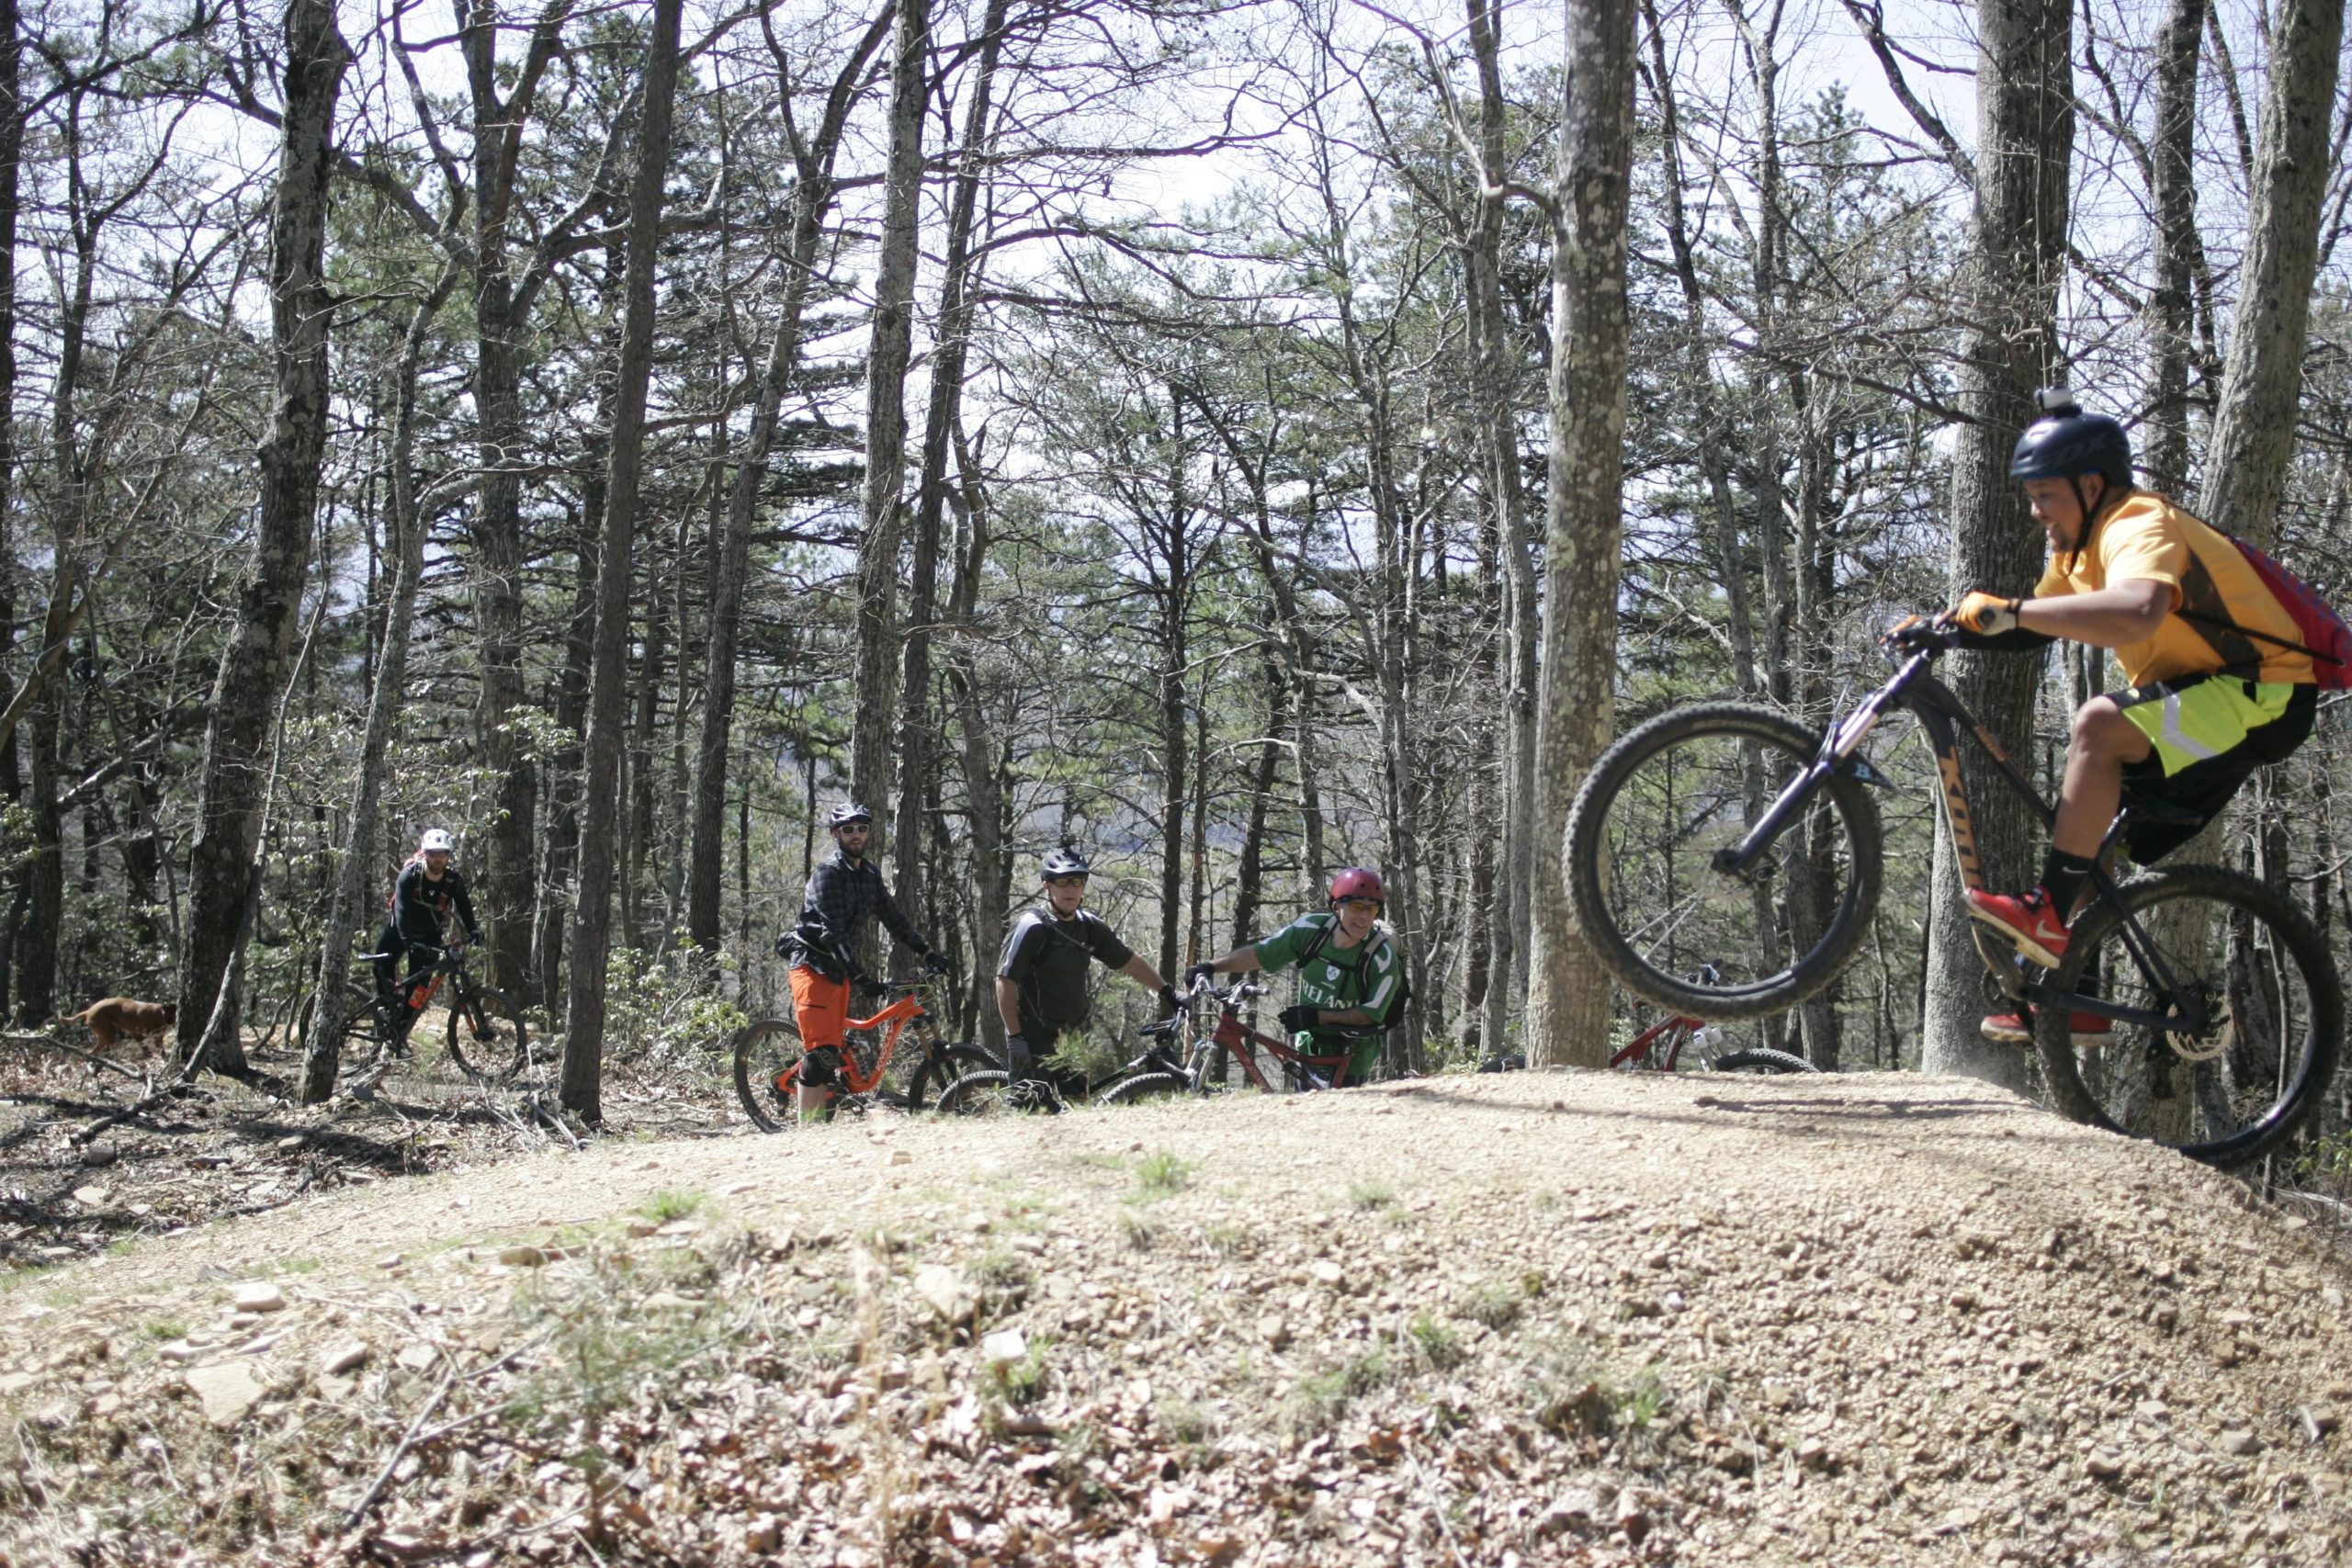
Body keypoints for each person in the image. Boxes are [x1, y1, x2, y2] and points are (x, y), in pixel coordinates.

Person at [1939, 389, 2319, 1048]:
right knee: (2092, 836)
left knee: (2097, 725)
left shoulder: (2138, 521)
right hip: (2207, 691)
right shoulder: (2077, 550)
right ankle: (2078, 1002)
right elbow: (2030, 629)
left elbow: (2138, 610)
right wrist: (1946, 631)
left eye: (2045, 496)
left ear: (2092, 486)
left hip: (2264, 689)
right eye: (2030, 498)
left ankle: (2048, 916)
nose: (2036, 514)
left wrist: (2013, 610)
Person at [775, 803, 947, 1118]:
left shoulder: (868, 874)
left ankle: (823, 1108)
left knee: (832, 1047)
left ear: (869, 832)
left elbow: (894, 918)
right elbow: (833, 934)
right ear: (835, 834)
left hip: (838, 969)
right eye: (848, 829)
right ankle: (806, 1135)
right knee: (822, 1054)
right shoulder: (828, 874)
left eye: (862, 828)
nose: (856, 835)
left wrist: (928, 951)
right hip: (811, 965)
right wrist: (862, 979)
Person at [1185, 867, 1404, 1087]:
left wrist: (1318, 1017)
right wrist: (1210, 967)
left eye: (1372, 910)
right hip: (1306, 1047)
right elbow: (1261, 953)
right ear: (1337, 907)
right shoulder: (1310, 931)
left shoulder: (1382, 957)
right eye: (1357, 907)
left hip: (1351, 1056)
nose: (1364, 917)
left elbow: (1371, 1014)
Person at [995, 847, 1181, 1091]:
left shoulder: (1090, 927)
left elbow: (1127, 961)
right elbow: (1005, 980)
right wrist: (1015, 1036)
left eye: (1077, 881)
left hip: (1074, 1036)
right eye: (1061, 881)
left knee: (1076, 1106)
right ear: (1046, 886)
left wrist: (1167, 991)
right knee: (1028, 1109)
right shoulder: (1032, 927)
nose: (1070, 888)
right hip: (1035, 1036)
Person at [374, 829, 482, 1032]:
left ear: (448, 856)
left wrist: (474, 930)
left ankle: (400, 1031)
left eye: (443, 854)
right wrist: (409, 941)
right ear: (425, 854)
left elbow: (465, 906)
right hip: (400, 929)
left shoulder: (453, 881)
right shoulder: (410, 876)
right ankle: (384, 1012)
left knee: (420, 988)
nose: (438, 859)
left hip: (429, 934)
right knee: (380, 967)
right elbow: (401, 910)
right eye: (433, 854)